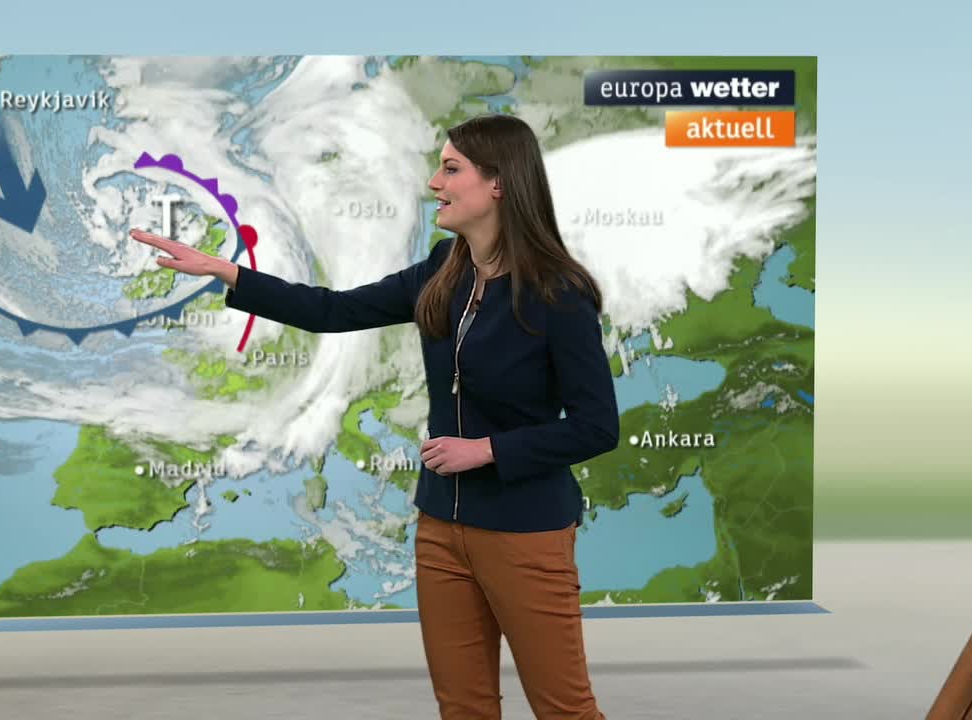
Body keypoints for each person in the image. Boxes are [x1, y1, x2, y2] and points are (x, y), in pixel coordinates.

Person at [129, 113, 619, 720]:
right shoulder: (444, 267)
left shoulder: (557, 294)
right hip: (441, 530)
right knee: (463, 709)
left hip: (525, 533)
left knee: (565, 711)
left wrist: (487, 450)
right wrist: (225, 271)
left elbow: (597, 426)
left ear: (498, 182)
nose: (434, 183)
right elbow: (332, 311)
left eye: (451, 169)